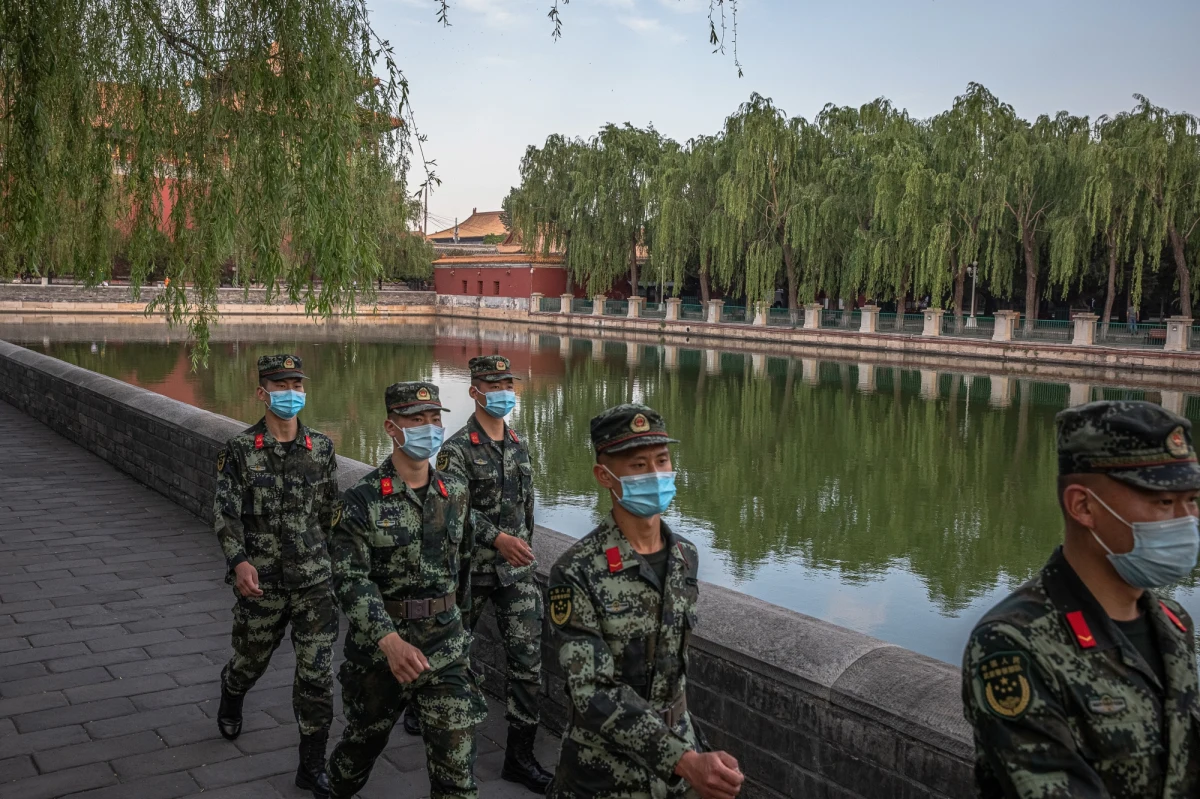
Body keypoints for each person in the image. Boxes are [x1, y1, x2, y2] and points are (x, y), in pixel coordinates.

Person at [962, 400, 1200, 797]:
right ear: (1083, 506)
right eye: (1164, 502)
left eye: (1192, 500)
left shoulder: (1173, 623)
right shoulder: (1014, 643)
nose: (1187, 520)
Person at [547, 404, 745, 799]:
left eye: (662, 460)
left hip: (680, 757)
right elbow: (592, 692)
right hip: (605, 773)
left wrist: (697, 753)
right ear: (604, 476)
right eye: (639, 465)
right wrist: (684, 761)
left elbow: (672, 673)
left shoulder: (684, 556)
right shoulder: (576, 571)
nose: (656, 474)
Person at [326, 381, 486, 799]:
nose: (428, 428)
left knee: (457, 775)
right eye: (416, 420)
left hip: (445, 649)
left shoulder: (456, 493)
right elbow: (350, 579)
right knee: (360, 749)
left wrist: (461, 632)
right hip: (380, 652)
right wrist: (389, 641)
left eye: (434, 419)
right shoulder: (361, 500)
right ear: (391, 427)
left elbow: (463, 567)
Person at [414, 354, 553, 792]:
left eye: (508, 385)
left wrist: (519, 546)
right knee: (449, 652)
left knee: (528, 666)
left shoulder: (519, 444)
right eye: (495, 386)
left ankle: (520, 757)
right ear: (475, 391)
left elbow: (527, 509)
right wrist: (497, 538)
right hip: (470, 572)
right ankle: (420, 707)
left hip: (515, 574)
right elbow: (450, 509)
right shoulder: (456, 450)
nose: (504, 393)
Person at [213, 354, 339, 799]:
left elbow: (331, 513)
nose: (291, 392)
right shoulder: (240, 450)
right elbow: (225, 513)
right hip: (261, 581)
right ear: (262, 393)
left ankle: (312, 765)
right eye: (281, 385)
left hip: (313, 583)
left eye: (296, 384)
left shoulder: (321, 448)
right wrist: (239, 561)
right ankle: (232, 691)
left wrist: (330, 565)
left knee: (317, 675)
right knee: (251, 659)